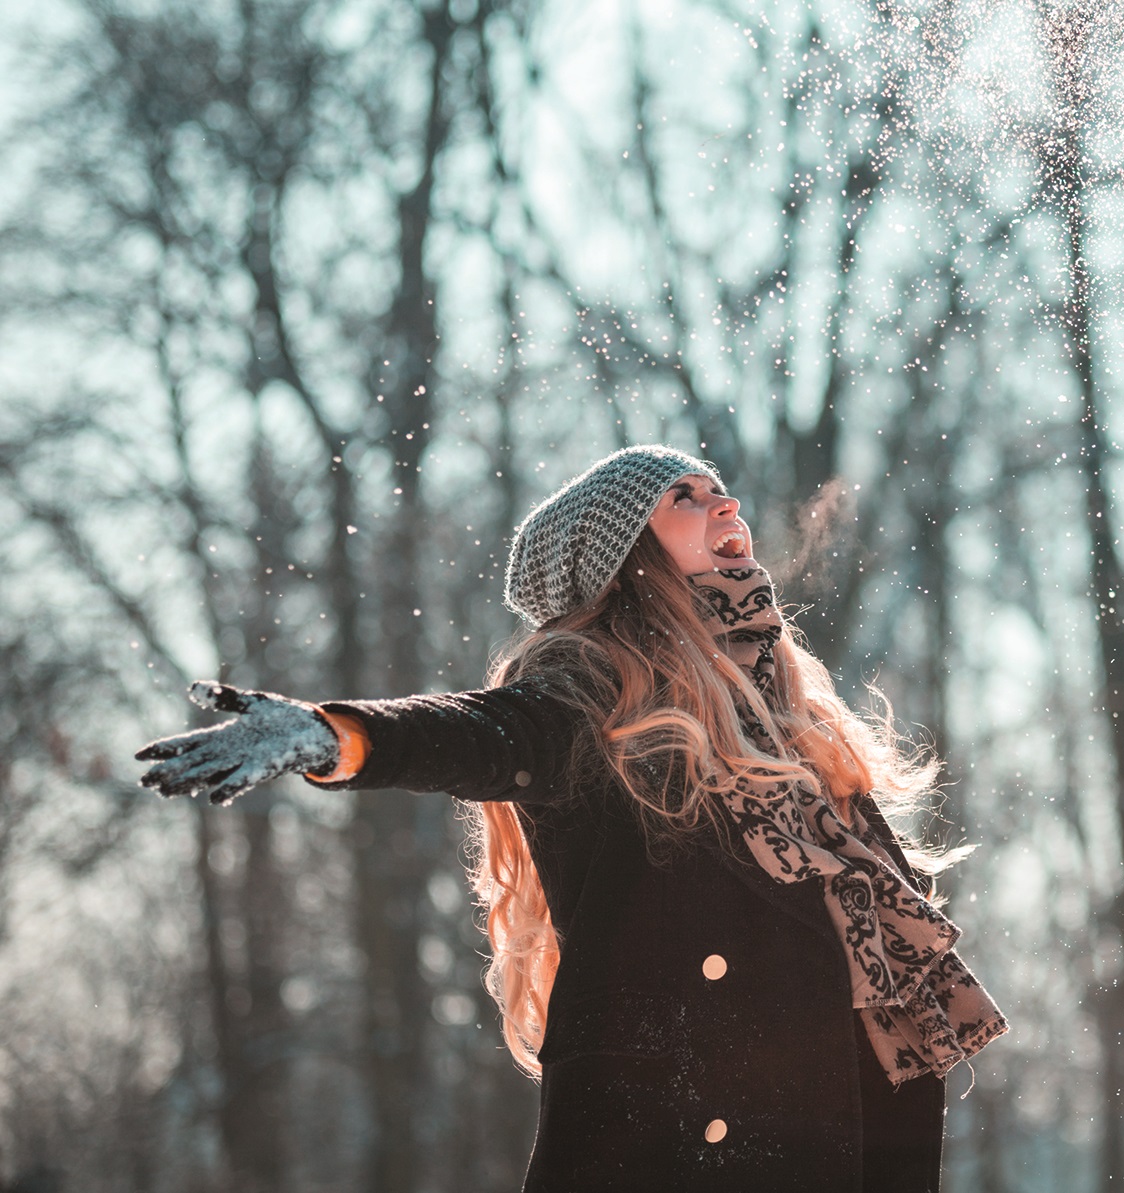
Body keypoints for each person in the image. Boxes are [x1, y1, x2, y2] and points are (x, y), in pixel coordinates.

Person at [135, 445, 1006, 1193]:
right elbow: (480, 731)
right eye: (683, 497)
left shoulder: (798, 729)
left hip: (820, 1126)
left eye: (718, 488)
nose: (724, 502)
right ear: (624, 555)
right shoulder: (596, 692)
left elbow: (889, 995)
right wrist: (337, 736)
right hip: (666, 1121)